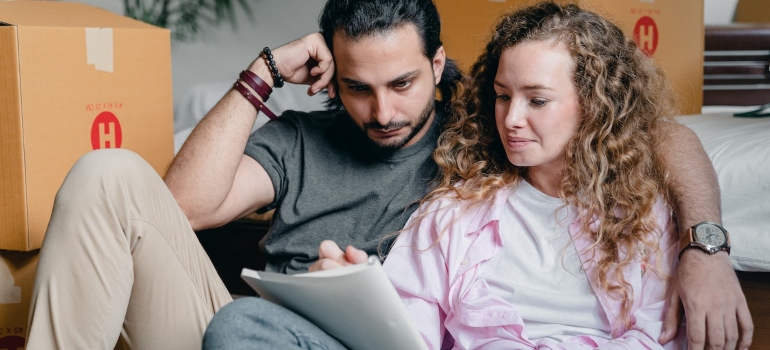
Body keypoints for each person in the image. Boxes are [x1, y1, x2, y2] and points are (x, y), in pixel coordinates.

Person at [26, 0, 749, 349]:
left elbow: (656, 132)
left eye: (403, 83)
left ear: (438, 67)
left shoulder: (485, 125)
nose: (383, 111)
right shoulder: (306, 137)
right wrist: (263, 74)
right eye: (357, 87)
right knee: (108, 173)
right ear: (330, 80)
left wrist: (708, 246)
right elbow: (178, 207)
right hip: (266, 335)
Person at [379, 2, 714, 347]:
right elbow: (403, 330)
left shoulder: (645, 214)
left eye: (537, 101)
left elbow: (663, 337)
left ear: (594, 105)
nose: (511, 119)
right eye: (503, 96)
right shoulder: (450, 215)